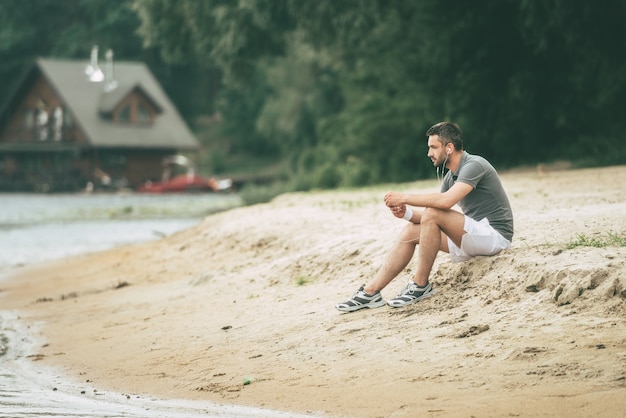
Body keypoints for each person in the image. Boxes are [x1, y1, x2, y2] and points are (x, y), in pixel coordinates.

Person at [336, 122, 514, 312]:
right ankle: (370, 293)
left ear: (449, 148)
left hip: (495, 237)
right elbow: (431, 219)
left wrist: (404, 196)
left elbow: (444, 203)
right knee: (411, 231)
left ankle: (420, 285)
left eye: (433, 147)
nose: (429, 153)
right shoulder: (450, 176)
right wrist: (406, 213)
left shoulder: (475, 164)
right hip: (474, 238)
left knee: (434, 210)